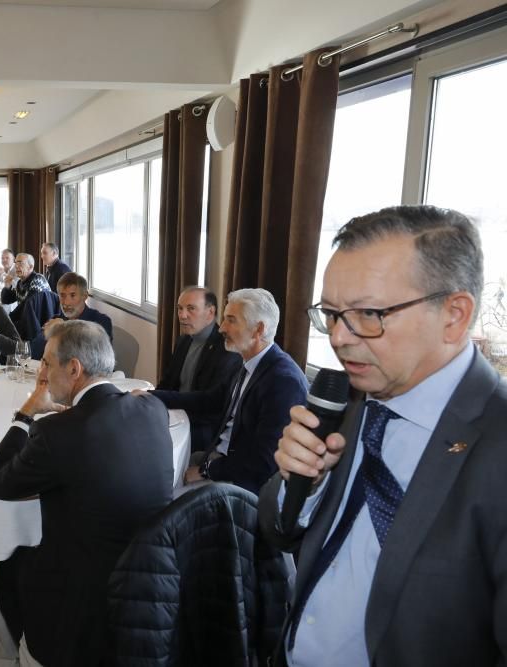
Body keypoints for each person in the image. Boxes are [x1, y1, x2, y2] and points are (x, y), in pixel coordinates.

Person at [258, 205, 507, 667]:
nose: (340, 338)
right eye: (332, 314)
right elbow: (276, 527)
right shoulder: (347, 399)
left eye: (369, 313)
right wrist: (303, 487)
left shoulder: (497, 446)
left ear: (454, 315)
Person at [0, 320, 174, 666]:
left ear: (74, 369)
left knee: (0, 565)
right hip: (152, 580)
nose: (41, 374)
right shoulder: (152, 409)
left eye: (45, 363)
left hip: (80, 601)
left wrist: (25, 414)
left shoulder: (58, 432)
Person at [153, 288, 307, 493]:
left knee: (163, 500)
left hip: (239, 484)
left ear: (258, 329)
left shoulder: (283, 382)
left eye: (231, 320)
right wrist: (151, 396)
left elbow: (264, 462)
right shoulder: (248, 363)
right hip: (218, 458)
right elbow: (209, 400)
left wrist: (206, 470)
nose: (221, 328)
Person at [153, 286, 243, 450]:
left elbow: (209, 402)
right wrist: (151, 401)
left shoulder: (227, 348)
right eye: (180, 309)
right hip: (174, 414)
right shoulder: (183, 340)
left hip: (200, 426)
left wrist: (154, 396)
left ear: (210, 312)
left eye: (191, 308)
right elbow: (167, 381)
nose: (182, 315)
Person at [1, 253, 60, 341]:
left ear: (30, 267)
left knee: (3, 330)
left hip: (40, 324)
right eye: (16, 263)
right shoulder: (20, 283)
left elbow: (28, 304)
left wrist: (9, 318)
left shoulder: (38, 279)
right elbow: (6, 300)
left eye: (20, 263)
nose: (16, 266)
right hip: (28, 322)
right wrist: (7, 286)